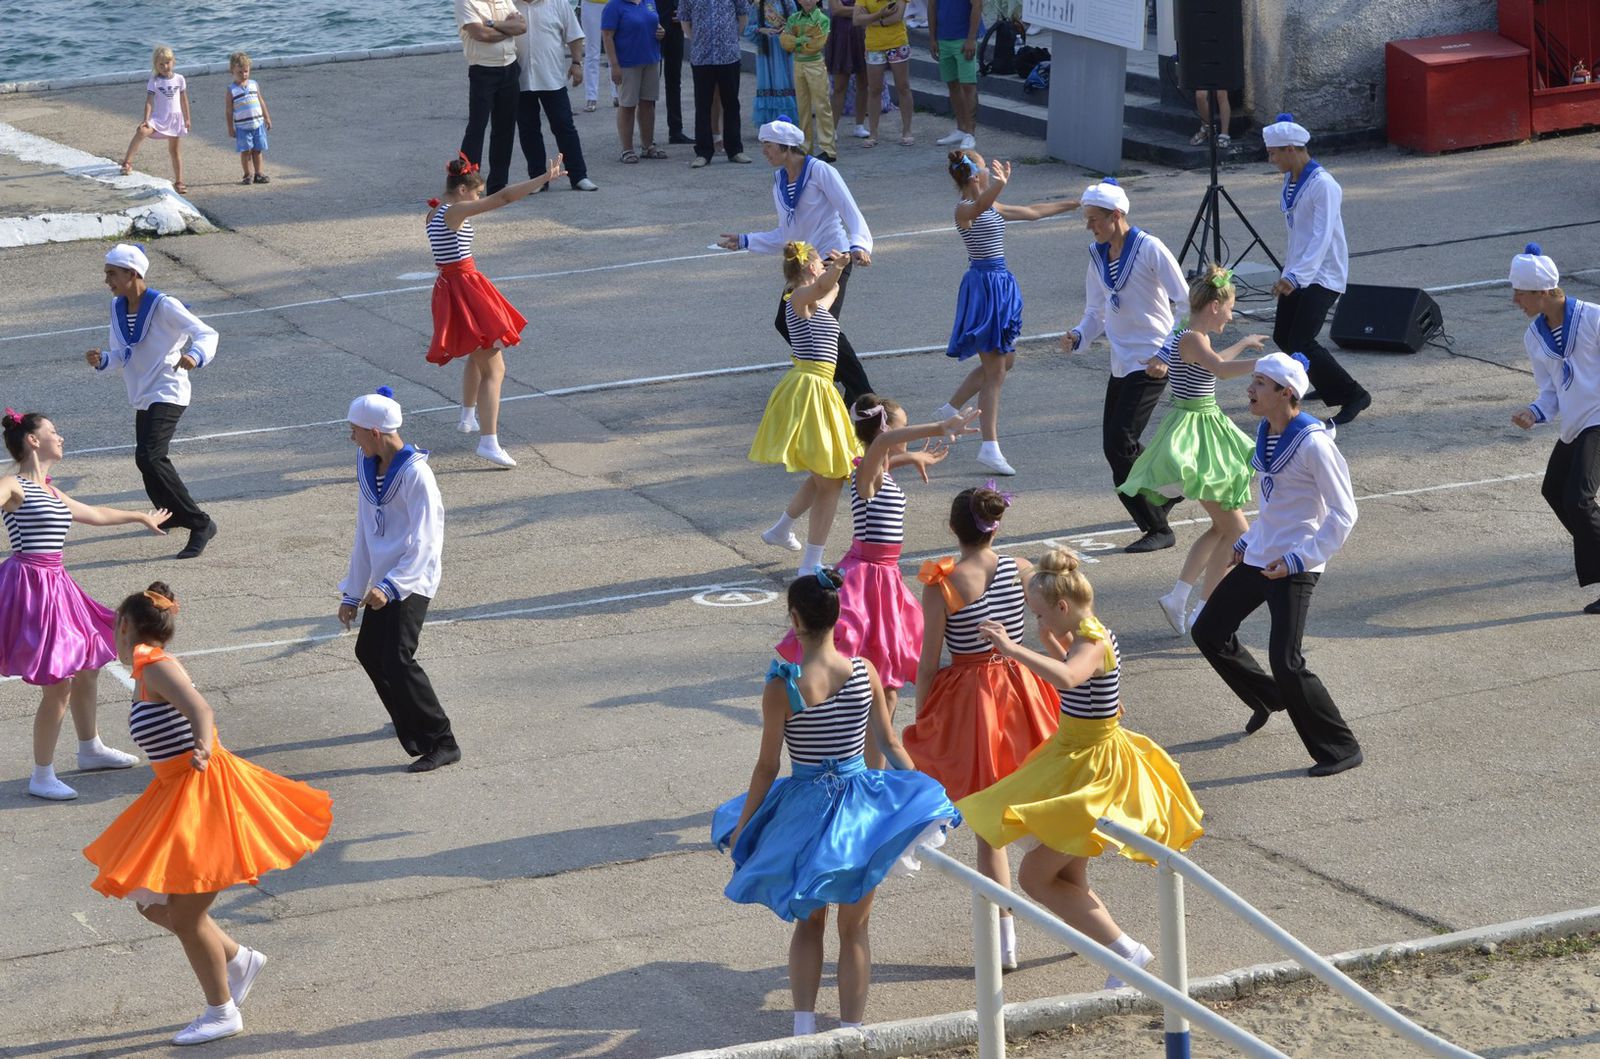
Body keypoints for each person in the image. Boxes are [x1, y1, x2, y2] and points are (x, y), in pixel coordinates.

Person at [83, 582, 332, 1046]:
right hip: (175, 794)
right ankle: (237, 960)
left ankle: (221, 1012)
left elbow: (201, 708)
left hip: (204, 795)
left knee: (185, 915)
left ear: (125, 625)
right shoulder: (146, 669)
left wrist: (201, 745)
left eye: (114, 626)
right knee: (152, 905)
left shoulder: (156, 665)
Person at [713, 570, 959, 1036]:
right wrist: (924, 793)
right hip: (861, 812)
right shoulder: (865, 672)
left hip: (805, 812)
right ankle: (851, 1030)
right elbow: (889, 743)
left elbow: (766, 767)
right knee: (855, 929)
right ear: (837, 616)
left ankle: (803, 1031)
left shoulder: (782, 686)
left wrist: (746, 824)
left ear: (794, 620)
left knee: (809, 925)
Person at [958, 547, 1203, 988]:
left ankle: (1127, 953)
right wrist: (1050, 642)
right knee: (1067, 874)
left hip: (1093, 768)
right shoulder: (1089, 632)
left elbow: (1070, 677)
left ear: (1062, 606)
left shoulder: (1092, 640)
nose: (1039, 620)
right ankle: (1113, 951)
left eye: (1040, 613)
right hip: (1076, 754)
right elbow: (1078, 673)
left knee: (1034, 877)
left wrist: (1013, 649)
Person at [902, 485, 1059, 970]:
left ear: (954, 528)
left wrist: (924, 715)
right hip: (1024, 689)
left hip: (974, 701)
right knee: (1047, 805)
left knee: (989, 829)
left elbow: (929, 662)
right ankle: (1079, 917)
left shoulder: (942, 583)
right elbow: (1048, 627)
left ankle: (1004, 942)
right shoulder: (1021, 568)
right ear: (997, 525)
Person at [1190, 352, 1364, 778]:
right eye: (1253, 381)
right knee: (1208, 631)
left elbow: (1344, 513)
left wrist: (1299, 559)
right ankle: (1269, 697)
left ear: (1286, 393)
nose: (1249, 389)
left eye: (1260, 383)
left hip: (1296, 563)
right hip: (1262, 555)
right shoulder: (1266, 430)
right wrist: (1248, 540)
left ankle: (1341, 748)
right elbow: (1275, 506)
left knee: (1287, 661)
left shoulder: (1314, 443)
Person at [777, 398, 979, 753]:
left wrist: (912, 457)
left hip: (885, 578)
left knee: (888, 688)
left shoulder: (877, 468)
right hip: (867, 578)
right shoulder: (866, 474)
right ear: (885, 430)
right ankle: (853, 749)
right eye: (903, 427)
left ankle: (876, 768)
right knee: (879, 686)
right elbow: (883, 447)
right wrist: (940, 427)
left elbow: (884, 455)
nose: (907, 433)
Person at [2, 411, 168, 801]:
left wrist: (139, 516)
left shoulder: (51, 491)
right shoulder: (13, 484)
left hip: (57, 583)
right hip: (31, 587)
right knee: (59, 684)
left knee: (89, 663)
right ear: (32, 440)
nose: (60, 437)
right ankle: (41, 775)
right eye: (53, 432)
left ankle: (90, 748)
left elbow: (94, 514)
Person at [1119, 266, 1265, 634]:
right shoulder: (1192, 339)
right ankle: (1203, 611)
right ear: (1215, 306)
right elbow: (1221, 369)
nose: (1230, 315)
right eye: (1229, 308)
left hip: (1205, 427)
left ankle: (1183, 600)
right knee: (1239, 533)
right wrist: (1269, 364)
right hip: (1197, 433)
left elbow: (1214, 363)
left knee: (1221, 529)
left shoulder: (1191, 335)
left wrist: (1244, 344)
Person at [338, 388, 461, 773]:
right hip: (382, 581)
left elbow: (427, 541)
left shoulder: (416, 475)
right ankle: (410, 718)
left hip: (412, 577)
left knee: (397, 658)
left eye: (355, 430)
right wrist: (352, 591)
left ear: (375, 432)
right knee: (369, 652)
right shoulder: (366, 464)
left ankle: (442, 740)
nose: (351, 437)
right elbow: (365, 532)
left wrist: (391, 586)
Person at [934, 150, 1079, 476]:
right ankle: (990, 447)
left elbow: (1032, 212)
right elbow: (979, 207)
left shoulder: (993, 204)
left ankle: (950, 408)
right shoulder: (963, 209)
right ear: (975, 175)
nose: (991, 170)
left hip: (999, 286)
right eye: (986, 167)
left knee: (1004, 361)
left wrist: (1075, 203)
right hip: (984, 290)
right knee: (996, 371)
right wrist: (999, 184)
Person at [1062, 178, 1185, 553]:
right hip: (1121, 361)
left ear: (1116, 215)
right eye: (1087, 218)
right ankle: (1168, 488)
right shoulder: (1098, 254)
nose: (1089, 226)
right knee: (1115, 445)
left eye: (1094, 219)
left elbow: (1187, 303)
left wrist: (1166, 353)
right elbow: (1096, 310)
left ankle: (1158, 527)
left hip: (1151, 360)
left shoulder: (1150, 248)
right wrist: (1079, 335)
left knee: (1120, 444)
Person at [718, 119, 876, 404]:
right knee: (785, 321)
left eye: (768, 145)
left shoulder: (820, 171)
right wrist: (745, 240)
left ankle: (863, 394)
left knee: (823, 324)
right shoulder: (779, 181)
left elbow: (850, 210)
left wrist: (859, 245)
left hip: (831, 258)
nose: (764, 151)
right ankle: (831, 373)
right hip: (803, 263)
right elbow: (786, 233)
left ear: (786, 147)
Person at [426, 152, 565, 467]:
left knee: (479, 350)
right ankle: (488, 442)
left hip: (455, 287)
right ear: (463, 190)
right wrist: (544, 178)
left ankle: (467, 416)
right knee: (495, 369)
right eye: (476, 193)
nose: (479, 199)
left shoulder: (434, 212)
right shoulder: (455, 211)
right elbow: (503, 198)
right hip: (464, 288)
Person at [85, 243, 219, 560]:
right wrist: (103, 359)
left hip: (168, 389)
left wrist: (194, 355)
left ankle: (200, 523)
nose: (107, 281)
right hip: (143, 393)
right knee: (144, 459)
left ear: (133, 273)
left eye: (112, 274)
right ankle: (171, 513)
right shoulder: (117, 307)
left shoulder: (164, 305)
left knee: (151, 456)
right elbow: (123, 353)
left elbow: (207, 333)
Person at [751, 243, 861, 575]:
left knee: (828, 470)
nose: (824, 267)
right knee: (831, 477)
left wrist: (840, 269)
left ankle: (781, 529)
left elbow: (830, 291)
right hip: (811, 389)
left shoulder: (812, 303)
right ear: (812, 268)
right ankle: (811, 563)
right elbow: (824, 286)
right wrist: (836, 268)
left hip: (820, 389)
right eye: (820, 263)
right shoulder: (796, 297)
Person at [1507, 244, 1600, 613]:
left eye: (1521, 293)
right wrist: (1534, 412)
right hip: (1576, 423)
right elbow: (1550, 391)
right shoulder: (1534, 337)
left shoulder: (1593, 318)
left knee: (1578, 498)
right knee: (1555, 490)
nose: (1515, 300)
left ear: (1543, 292)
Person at [1263, 113, 1370, 426]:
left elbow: (1321, 238)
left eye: (1273, 153)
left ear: (1291, 149)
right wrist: (1291, 272)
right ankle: (1324, 382)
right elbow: (1300, 234)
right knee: (1284, 336)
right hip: (1298, 271)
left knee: (1302, 340)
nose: (1271, 160)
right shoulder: (1291, 180)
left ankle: (1354, 395)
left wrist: (1296, 276)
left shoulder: (1323, 185)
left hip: (1323, 274)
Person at [513, 0, 600, 190]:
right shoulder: (509, 4)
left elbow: (574, 35)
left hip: (552, 78)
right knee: (528, 130)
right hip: (520, 78)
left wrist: (576, 63)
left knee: (564, 126)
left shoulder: (558, 3)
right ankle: (537, 180)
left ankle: (578, 176)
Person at [455, 0, 527, 194]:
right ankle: (468, 184)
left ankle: (498, 185)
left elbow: (522, 26)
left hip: (510, 68)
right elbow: (481, 34)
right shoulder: (466, 2)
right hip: (483, 71)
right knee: (476, 128)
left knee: (505, 129)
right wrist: (508, 29)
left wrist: (492, 24)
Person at [681, 0, 751, 166]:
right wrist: (695, 40)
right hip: (702, 57)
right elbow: (684, 18)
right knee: (702, 105)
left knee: (731, 104)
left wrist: (734, 37)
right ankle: (703, 152)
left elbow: (743, 14)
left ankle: (735, 150)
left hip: (728, 55)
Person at [603, 0, 669, 162]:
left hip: (651, 60)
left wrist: (661, 31)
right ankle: (627, 149)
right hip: (627, 63)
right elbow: (607, 36)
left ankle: (648, 146)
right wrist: (614, 65)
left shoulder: (649, 1)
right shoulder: (614, 6)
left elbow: (653, 23)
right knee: (627, 106)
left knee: (648, 103)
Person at [119, 45, 189, 193]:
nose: (165, 66)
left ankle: (179, 181)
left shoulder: (180, 79)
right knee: (142, 131)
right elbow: (149, 101)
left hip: (175, 120)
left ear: (173, 61)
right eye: (161, 64)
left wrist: (187, 119)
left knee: (175, 151)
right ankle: (127, 162)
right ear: (156, 65)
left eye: (167, 62)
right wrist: (146, 119)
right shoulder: (154, 81)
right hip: (158, 119)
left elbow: (184, 100)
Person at [853, 0, 914, 146]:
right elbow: (857, 19)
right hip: (874, 45)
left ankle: (907, 131)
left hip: (897, 42)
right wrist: (881, 14)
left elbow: (897, 17)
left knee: (903, 87)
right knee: (874, 89)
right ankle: (873, 133)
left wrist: (872, 20)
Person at [781, 0, 835, 160]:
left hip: (815, 64)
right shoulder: (793, 18)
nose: (807, 1)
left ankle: (828, 149)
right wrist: (802, 40)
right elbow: (784, 41)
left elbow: (817, 44)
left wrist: (795, 42)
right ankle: (805, 147)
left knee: (822, 106)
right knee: (802, 107)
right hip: (798, 64)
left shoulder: (822, 19)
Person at [925, 0, 981, 150]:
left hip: (963, 37)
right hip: (943, 37)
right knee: (952, 84)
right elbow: (931, 6)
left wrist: (971, 38)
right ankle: (961, 128)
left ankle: (970, 132)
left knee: (968, 84)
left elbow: (977, 5)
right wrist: (932, 38)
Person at [826, 0, 873, 143]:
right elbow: (837, 10)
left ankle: (859, 125)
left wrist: (859, 12)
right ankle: (832, 129)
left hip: (863, 33)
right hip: (841, 34)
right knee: (840, 85)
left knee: (864, 82)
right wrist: (861, 11)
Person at [750, 0, 800, 131]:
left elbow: (798, 25)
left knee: (786, 83)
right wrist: (762, 30)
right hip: (767, 50)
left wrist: (788, 29)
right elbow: (748, 28)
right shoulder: (757, 4)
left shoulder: (788, 3)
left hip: (785, 49)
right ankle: (769, 123)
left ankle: (787, 122)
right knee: (769, 84)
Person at [224, 52, 271, 186]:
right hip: (243, 127)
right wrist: (230, 127)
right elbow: (229, 110)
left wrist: (267, 117)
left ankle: (258, 173)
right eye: (240, 72)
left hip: (258, 124)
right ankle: (247, 174)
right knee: (246, 152)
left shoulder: (254, 84)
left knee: (258, 150)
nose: (243, 75)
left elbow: (261, 101)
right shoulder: (232, 90)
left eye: (246, 71)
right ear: (232, 71)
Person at [657, 0, 694, 142]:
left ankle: (676, 130)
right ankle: (647, 136)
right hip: (654, 28)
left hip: (676, 27)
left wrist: (685, 13)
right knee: (650, 84)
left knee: (674, 81)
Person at [580, 0, 622, 110]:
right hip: (591, 4)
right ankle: (591, 97)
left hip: (613, 3)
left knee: (615, 48)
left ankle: (618, 93)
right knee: (592, 51)